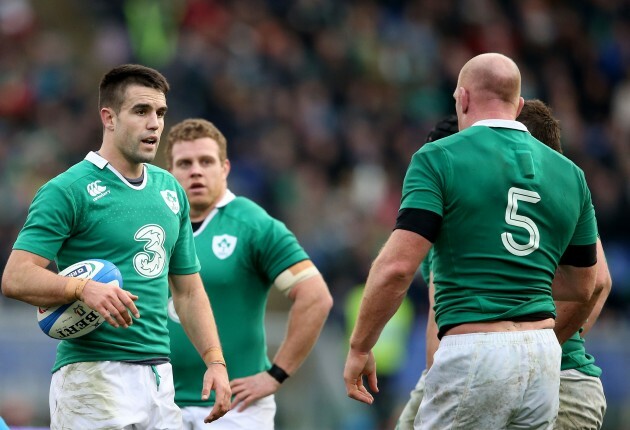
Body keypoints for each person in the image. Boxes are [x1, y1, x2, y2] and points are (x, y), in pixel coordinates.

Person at [343, 53, 599, 429]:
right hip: (543, 354)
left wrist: (360, 346)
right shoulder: (571, 174)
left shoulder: (438, 157)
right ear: (519, 105)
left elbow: (397, 268)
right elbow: (584, 285)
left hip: (476, 347)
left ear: (462, 98)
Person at [1, 64, 231, 429]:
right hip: (92, 377)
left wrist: (215, 361)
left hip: (158, 378)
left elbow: (187, 291)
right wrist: (80, 288)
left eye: (160, 113)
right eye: (141, 111)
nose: (154, 123)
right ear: (108, 117)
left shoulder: (171, 191)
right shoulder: (67, 189)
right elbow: (15, 277)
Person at [395, 100, 611, 430]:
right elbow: (598, 283)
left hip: (526, 374)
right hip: (551, 376)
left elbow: (597, 283)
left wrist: (534, 353)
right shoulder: (556, 190)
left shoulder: (465, 211)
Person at [163, 118, 333, 430]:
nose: (195, 171)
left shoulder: (252, 225)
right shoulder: (156, 228)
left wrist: (276, 374)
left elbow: (316, 297)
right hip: (160, 404)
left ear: (225, 168)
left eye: (206, 161)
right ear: (169, 173)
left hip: (235, 410)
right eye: (184, 163)